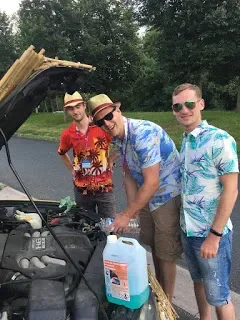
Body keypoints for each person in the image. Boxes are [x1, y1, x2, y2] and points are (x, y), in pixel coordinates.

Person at [87, 93, 182, 301]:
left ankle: (167, 305)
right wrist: (132, 212)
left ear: (118, 111)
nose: (107, 124)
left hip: (166, 193)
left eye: (109, 116)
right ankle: (159, 292)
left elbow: (152, 181)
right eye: (101, 122)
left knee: (166, 253)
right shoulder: (120, 139)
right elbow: (129, 174)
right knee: (154, 246)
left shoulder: (142, 133)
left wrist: (127, 213)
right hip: (147, 195)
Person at [172, 83, 239, 320]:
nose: (184, 110)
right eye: (177, 106)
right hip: (188, 230)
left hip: (211, 234)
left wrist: (214, 236)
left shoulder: (219, 139)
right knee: (198, 282)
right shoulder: (187, 140)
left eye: (189, 104)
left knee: (219, 296)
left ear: (201, 104)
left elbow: (231, 191)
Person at [58, 91, 118, 218]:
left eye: (78, 106)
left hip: (104, 188)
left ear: (84, 106)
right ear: (67, 111)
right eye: (70, 108)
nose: (75, 111)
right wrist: (72, 169)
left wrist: (111, 159)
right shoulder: (68, 133)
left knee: (109, 228)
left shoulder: (101, 126)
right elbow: (62, 152)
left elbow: (122, 143)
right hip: (82, 190)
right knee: (85, 225)